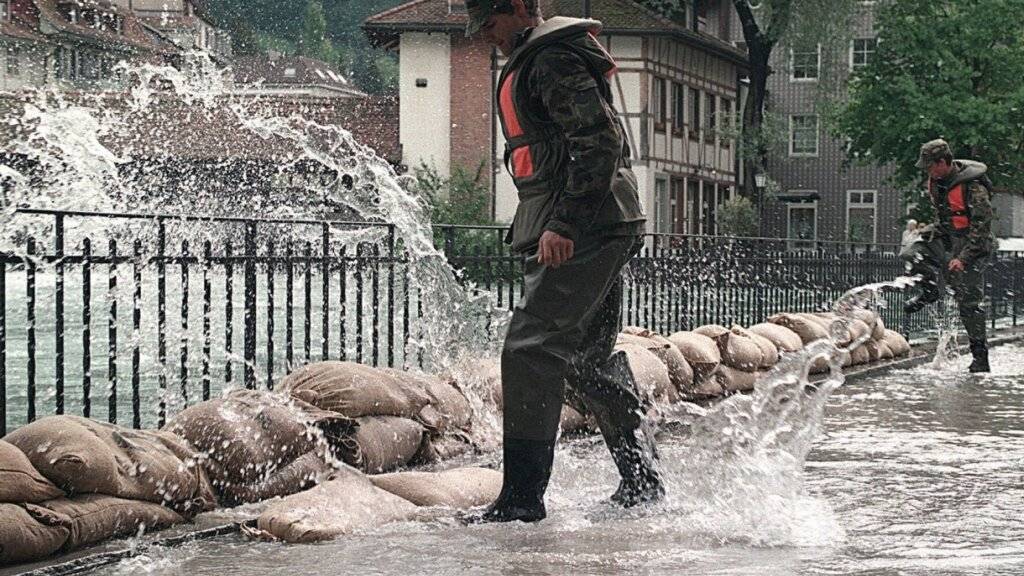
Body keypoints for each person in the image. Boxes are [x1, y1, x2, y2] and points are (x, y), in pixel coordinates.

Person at [464, 0, 662, 523]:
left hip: (585, 225)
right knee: (582, 360)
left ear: (523, 8)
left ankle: (522, 501)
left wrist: (564, 224)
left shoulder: (551, 59)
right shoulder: (539, 56)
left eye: (492, 23)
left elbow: (598, 141)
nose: (488, 35)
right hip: (599, 221)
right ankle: (642, 480)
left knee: (530, 349)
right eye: (480, 27)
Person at [903, 139, 995, 373]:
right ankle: (930, 289)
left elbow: (981, 229)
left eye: (930, 166)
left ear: (943, 162)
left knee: (969, 302)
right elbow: (943, 217)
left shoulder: (973, 187)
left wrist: (962, 258)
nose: (927, 171)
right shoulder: (937, 182)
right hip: (946, 237)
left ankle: (980, 357)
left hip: (973, 244)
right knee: (911, 254)